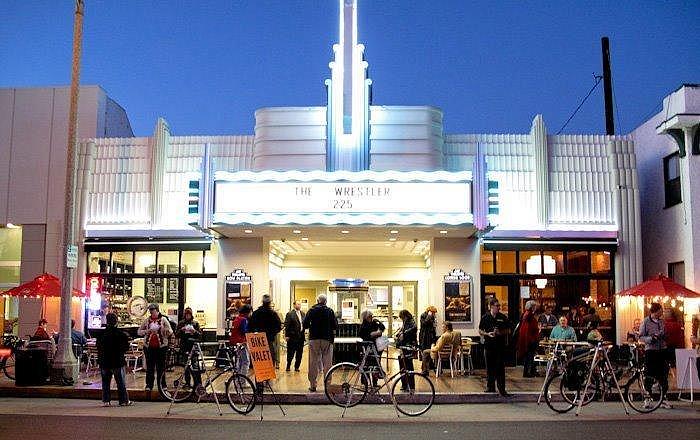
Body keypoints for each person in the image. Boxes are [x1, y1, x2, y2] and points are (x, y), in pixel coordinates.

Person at [639, 302, 672, 408]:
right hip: (651, 351)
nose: (662, 312)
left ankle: (663, 398)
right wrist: (651, 339)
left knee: (663, 374)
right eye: (660, 310)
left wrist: (664, 336)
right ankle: (647, 398)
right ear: (655, 311)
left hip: (662, 350)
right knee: (649, 374)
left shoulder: (662, 322)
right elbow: (641, 337)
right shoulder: (646, 322)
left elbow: (665, 333)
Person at [479, 298, 513, 397]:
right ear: (491, 306)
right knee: (489, 368)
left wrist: (500, 332)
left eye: (499, 306)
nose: (499, 307)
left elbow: (509, 330)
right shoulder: (485, 317)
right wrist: (487, 334)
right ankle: (490, 387)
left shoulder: (502, 317)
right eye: (497, 306)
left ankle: (502, 389)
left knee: (500, 368)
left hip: (500, 347)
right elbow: (480, 330)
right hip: (489, 346)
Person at [302, 293, 337, 392]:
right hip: (327, 338)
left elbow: (305, 324)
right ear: (325, 301)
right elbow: (335, 326)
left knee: (313, 362)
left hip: (314, 338)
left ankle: (313, 385)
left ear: (317, 301)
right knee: (328, 362)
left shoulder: (312, 310)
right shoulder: (330, 311)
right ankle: (327, 385)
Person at [97, 313, 132, 406]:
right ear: (116, 321)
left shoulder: (101, 334)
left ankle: (106, 401)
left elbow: (98, 347)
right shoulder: (121, 334)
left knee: (105, 382)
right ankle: (124, 401)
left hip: (104, 361)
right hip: (117, 361)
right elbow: (125, 348)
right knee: (120, 382)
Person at [137, 303, 173, 392]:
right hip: (149, 347)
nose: (151, 312)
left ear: (157, 310)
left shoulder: (163, 320)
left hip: (161, 347)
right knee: (150, 367)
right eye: (150, 310)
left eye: (152, 310)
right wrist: (147, 331)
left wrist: (164, 330)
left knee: (161, 367)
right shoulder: (146, 320)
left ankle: (162, 385)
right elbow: (139, 332)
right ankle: (149, 385)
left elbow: (170, 331)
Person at [248, 294, 283, 368]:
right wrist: (272, 333)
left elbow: (250, 326)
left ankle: (259, 377)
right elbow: (279, 326)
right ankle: (267, 376)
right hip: (269, 339)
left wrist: (255, 332)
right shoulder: (273, 314)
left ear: (262, 302)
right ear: (270, 302)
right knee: (269, 359)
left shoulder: (256, 313)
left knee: (259, 360)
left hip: (257, 340)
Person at [175, 307, 202, 388]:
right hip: (184, 346)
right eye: (186, 315)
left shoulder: (195, 323)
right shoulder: (181, 323)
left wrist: (194, 331)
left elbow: (200, 336)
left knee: (195, 365)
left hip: (193, 346)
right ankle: (187, 382)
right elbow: (176, 334)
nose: (188, 316)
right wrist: (182, 330)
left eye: (189, 315)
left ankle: (198, 383)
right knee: (186, 366)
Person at [359, 310, 386, 387]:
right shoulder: (364, 325)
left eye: (371, 316)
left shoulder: (374, 323)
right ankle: (365, 382)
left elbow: (383, 328)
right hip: (368, 347)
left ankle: (375, 382)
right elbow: (362, 335)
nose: (371, 317)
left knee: (376, 364)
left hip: (376, 346)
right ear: (366, 317)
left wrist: (379, 322)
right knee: (366, 365)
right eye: (369, 316)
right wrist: (372, 335)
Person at [395, 309, 417, 391]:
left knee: (408, 366)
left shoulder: (411, 322)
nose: (402, 319)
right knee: (404, 365)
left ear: (405, 316)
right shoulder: (406, 322)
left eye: (402, 317)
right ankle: (405, 385)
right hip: (404, 346)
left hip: (407, 346)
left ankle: (410, 385)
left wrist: (403, 334)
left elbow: (413, 330)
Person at [517, 300, 540, 378]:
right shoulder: (529, 315)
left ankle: (529, 371)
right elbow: (529, 328)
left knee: (529, 356)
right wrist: (532, 339)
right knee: (529, 356)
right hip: (530, 339)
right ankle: (528, 372)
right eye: (534, 306)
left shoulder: (526, 314)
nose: (536, 308)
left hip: (528, 338)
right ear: (532, 307)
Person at [229, 304, 252, 376]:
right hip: (242, 343)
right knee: (246, 361)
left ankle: (238, 379)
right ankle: (243, 381)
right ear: (247, 312)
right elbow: (244, 331)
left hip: (236, 343)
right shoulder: (244, 320)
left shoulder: (237, 318)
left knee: (239, 361)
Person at [284, 301, 306, 372]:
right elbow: (287, 325)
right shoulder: (290, 314)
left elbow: (304, 323)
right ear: (294, 305)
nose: (299, 305)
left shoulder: (303, 314)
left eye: (300, 304)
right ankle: (288, 365)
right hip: (292, 337)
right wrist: (287, 335)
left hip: (301, 337)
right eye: (298, 304)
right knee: (291, 352)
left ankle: (297, 367)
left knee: (299, 353)